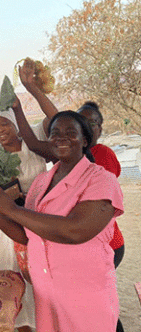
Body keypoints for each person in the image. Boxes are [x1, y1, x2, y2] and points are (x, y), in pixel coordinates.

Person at [0, 111, 124, 332]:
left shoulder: (100, 180)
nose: (61, 138)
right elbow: (27, 235)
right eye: (55, 133)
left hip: (84, 293)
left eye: (71, 133)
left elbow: (75, 230)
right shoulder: (42, 182)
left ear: (85, 140)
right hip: (46, 293)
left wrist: (11, 208)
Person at [77, 101, 125, 332]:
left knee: (98, 304)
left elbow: (96, 202)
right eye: (81, 122)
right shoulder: (78, 157)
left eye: (91, 122)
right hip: (89, 245)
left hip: (107, 245)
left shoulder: (102, 154)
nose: (86, 126)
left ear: (100, 129)